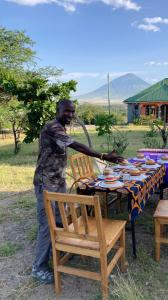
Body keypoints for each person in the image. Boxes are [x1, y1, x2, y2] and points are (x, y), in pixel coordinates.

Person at [32, 99, 124, 283]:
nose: (71, 115)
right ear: (57, 110)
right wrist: (103, 156)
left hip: (58, 181)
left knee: (60, 218)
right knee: (46, 223)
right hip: (45, 183)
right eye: (67, 111)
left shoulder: (61, 127)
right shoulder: (52, 127)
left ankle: (56, 250)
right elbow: (77, 146)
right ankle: (38, 267)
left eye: (73, 111)